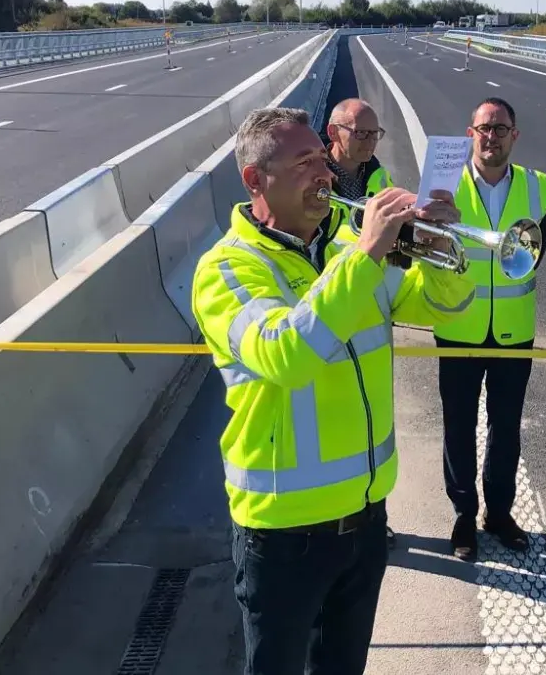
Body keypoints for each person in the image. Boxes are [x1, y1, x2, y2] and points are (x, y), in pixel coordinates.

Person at [190, 106, 475, 674]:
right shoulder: (226, 270)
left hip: (366, 521)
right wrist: (369, 253)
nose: (323, 174)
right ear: (255, 180)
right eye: (303, 164)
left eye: (322, 159)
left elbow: (447, 308)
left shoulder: (348, 249)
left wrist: (440, 250)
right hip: (283, 534)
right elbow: (286, 354)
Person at [434, 97, 546, 562]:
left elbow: (536, 253)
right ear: (471, 134)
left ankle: (499, 512)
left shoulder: (537, 186)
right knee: (458, 426)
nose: (491, 137)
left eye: (500, 128)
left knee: (506, 428)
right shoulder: (443, 186)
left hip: (513, 330)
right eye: (483, 128)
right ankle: (464, 513)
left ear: (514, 136)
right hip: (458, 325)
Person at [324, 98, 403, 547]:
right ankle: (340, 516)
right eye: (363, 134)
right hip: (332, 309)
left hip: (370, 312)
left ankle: (375, 515)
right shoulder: (314, 178)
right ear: (335, 133)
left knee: (375, 423)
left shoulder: (378, 177)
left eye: (376, 135)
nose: (372, 142)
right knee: (338, 423)